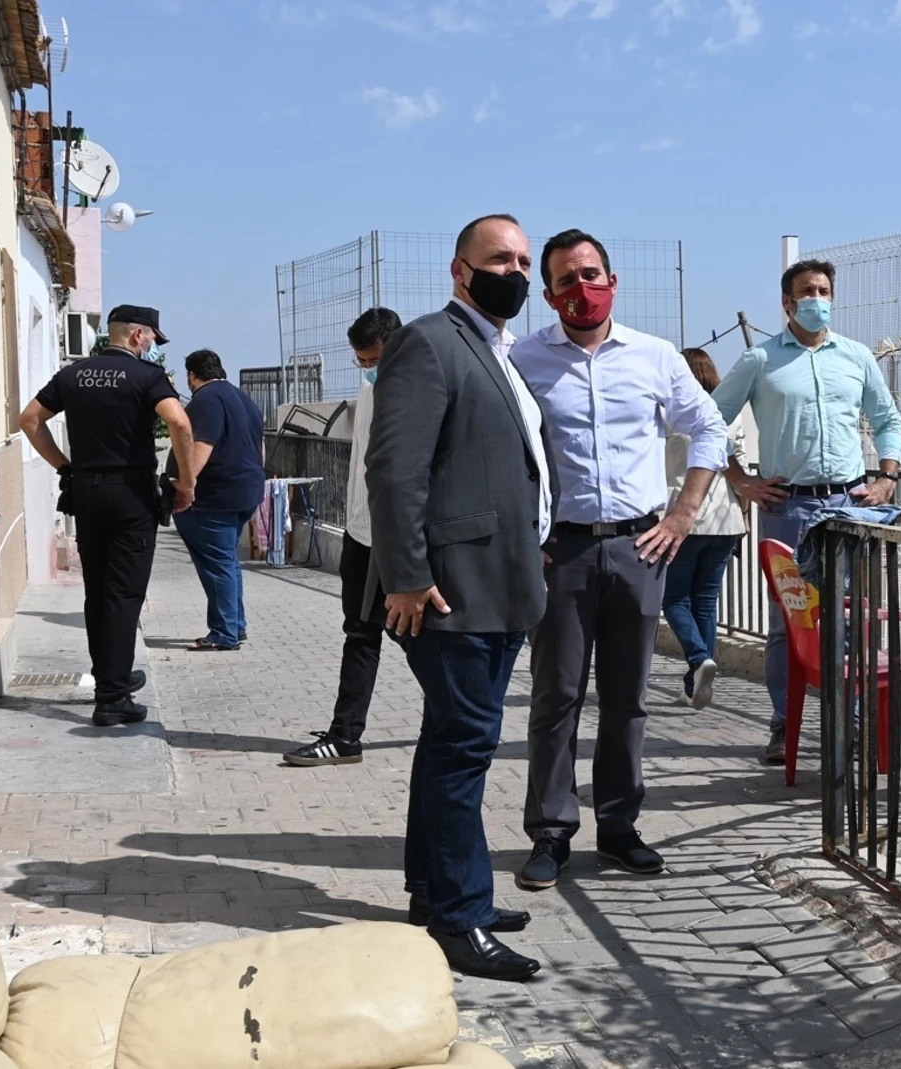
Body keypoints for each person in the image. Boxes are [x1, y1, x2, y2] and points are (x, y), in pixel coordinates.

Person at [508, 230, 729, 893]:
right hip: (561, 550)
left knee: (627, 697)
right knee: (557, 697)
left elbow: (709, 429)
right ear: (547, 294)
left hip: (640, 546)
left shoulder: (656, 356)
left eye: (592, 274)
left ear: (613, 278)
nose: (582, 288)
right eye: (567, 280)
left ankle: (619, 827)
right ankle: (550, 832)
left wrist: (683, 515)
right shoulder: (522, 359)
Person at [366, 214, 550, 982]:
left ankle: (434, 888)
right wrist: (406, 573)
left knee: (449, 739)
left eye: (522, 260)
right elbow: (394, 467)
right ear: (459, 269)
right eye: (499, 258)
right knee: (465, 749)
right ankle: (459, 916)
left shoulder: (495, 351)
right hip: (450, 590)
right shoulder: (429, 342)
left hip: (497, 583)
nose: (515, 271)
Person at [710, 260, 901, 765]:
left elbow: (886, 418)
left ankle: (856, 727)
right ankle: (784, 724)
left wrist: (886, 477)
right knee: (788, 622)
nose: (817, 298)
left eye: (823, 290)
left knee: (853, 621)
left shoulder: (857, 357)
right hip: (789, 508)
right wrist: (741, 480)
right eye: (806, 291)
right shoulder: (760, 360)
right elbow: (708, 421)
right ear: (787, 302)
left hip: (848, 507)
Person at [18, 305, 196, 727]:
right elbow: (180, 424)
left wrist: (65, 467)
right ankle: (113, 699)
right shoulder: (148, 377)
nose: (153, 345)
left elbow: (28, 420)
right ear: (137, 335)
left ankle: (110, 678)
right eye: (152, 337)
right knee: (124, 594)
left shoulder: (72, 375)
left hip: (87, 493)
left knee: (97, 592)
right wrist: (185, 483)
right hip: (130, 495)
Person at [285, 307, 402, 767]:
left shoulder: (414, 388)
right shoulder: (372, 387)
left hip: (392, 538)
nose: (367, 370)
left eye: (372, 360)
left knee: (412, 639)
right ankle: (345, 733)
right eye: (361, 362)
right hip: (360, 529)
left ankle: (460, 721)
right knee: (360, 632)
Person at [661, 347, 748, 710]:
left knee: (674, 598)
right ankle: (693, 684)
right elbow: (740, 473)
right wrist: (742, 516)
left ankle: (698, 659)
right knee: (706, 600)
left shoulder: (670, 414)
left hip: (684, 517)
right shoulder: (730, 415)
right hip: (726, 519)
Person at [172, 350, 267, 652]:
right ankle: (235, 626)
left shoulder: (206, 400)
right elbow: (260, 446)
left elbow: (203, 444)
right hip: (246, 491)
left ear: (192, 374)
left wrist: (185, 486)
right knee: (228, 561)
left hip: (214, 498)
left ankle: (224, 632)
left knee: (217, 565)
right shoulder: (244, 399)